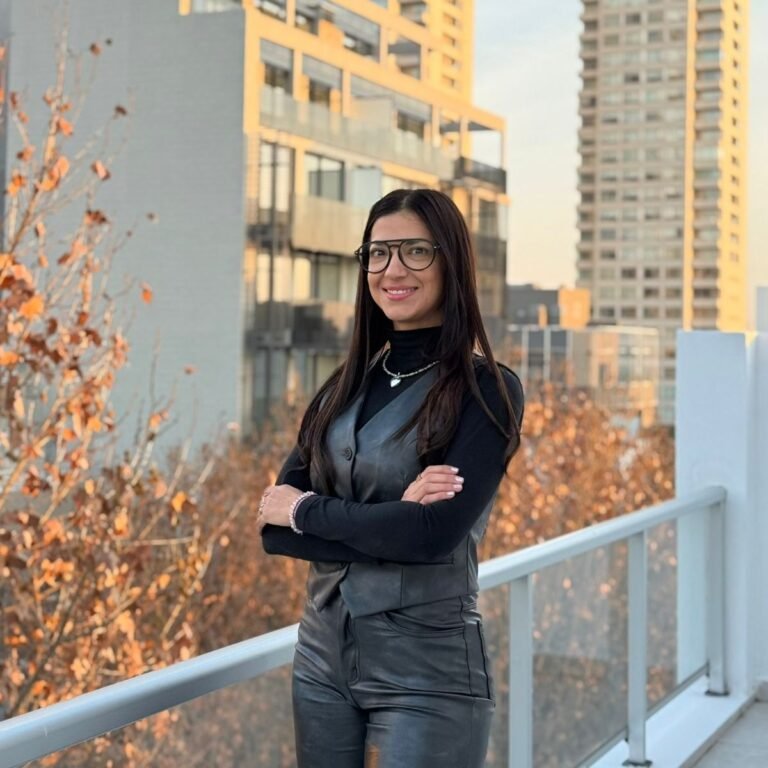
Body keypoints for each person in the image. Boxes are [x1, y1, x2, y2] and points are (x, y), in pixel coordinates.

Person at [258, 188, 524, 768]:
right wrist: (392, 517)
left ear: (451, 262)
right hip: (321, 659)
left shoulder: (485, 390)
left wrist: (307, 511)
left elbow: (432, 537)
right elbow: (274, 531)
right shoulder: (341, 387)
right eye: (378, 253)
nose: (392, 269)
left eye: (415, 251)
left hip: (429, 670)